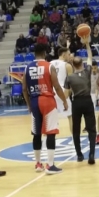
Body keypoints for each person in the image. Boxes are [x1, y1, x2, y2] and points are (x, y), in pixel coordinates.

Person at [22, 43, 68, 175]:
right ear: (44, 53)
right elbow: (57, 87)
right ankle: (50, 165)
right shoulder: (49, 66)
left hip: (34, 101)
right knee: (50, 132)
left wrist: (29, 104)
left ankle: (38, 163)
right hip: (47, 101)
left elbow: (24, 89)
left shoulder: (27, 67)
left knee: (36, 133)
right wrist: (64, 100)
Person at [64, 37, 96, 164]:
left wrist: (64, 102)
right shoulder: (87, 71)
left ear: (72, 64)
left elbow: (66, 93)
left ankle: (79, 155)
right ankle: (92, 154)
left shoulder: (69, 77)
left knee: (76, 130)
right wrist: (87, 44)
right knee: (91, 129)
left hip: (76, 103)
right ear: (82, 64)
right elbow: (90, 56)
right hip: (87, 101)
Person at [50, 47, 73, 133]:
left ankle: (46, 141)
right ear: (64, 55)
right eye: (68, 54)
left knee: (50, 118)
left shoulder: (49, 63)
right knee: (70, 116)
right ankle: (74, 140)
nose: (69, 56)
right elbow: (71, 82)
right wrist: (69, 93)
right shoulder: (67, 65)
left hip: (51, 92)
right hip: (63, 92)